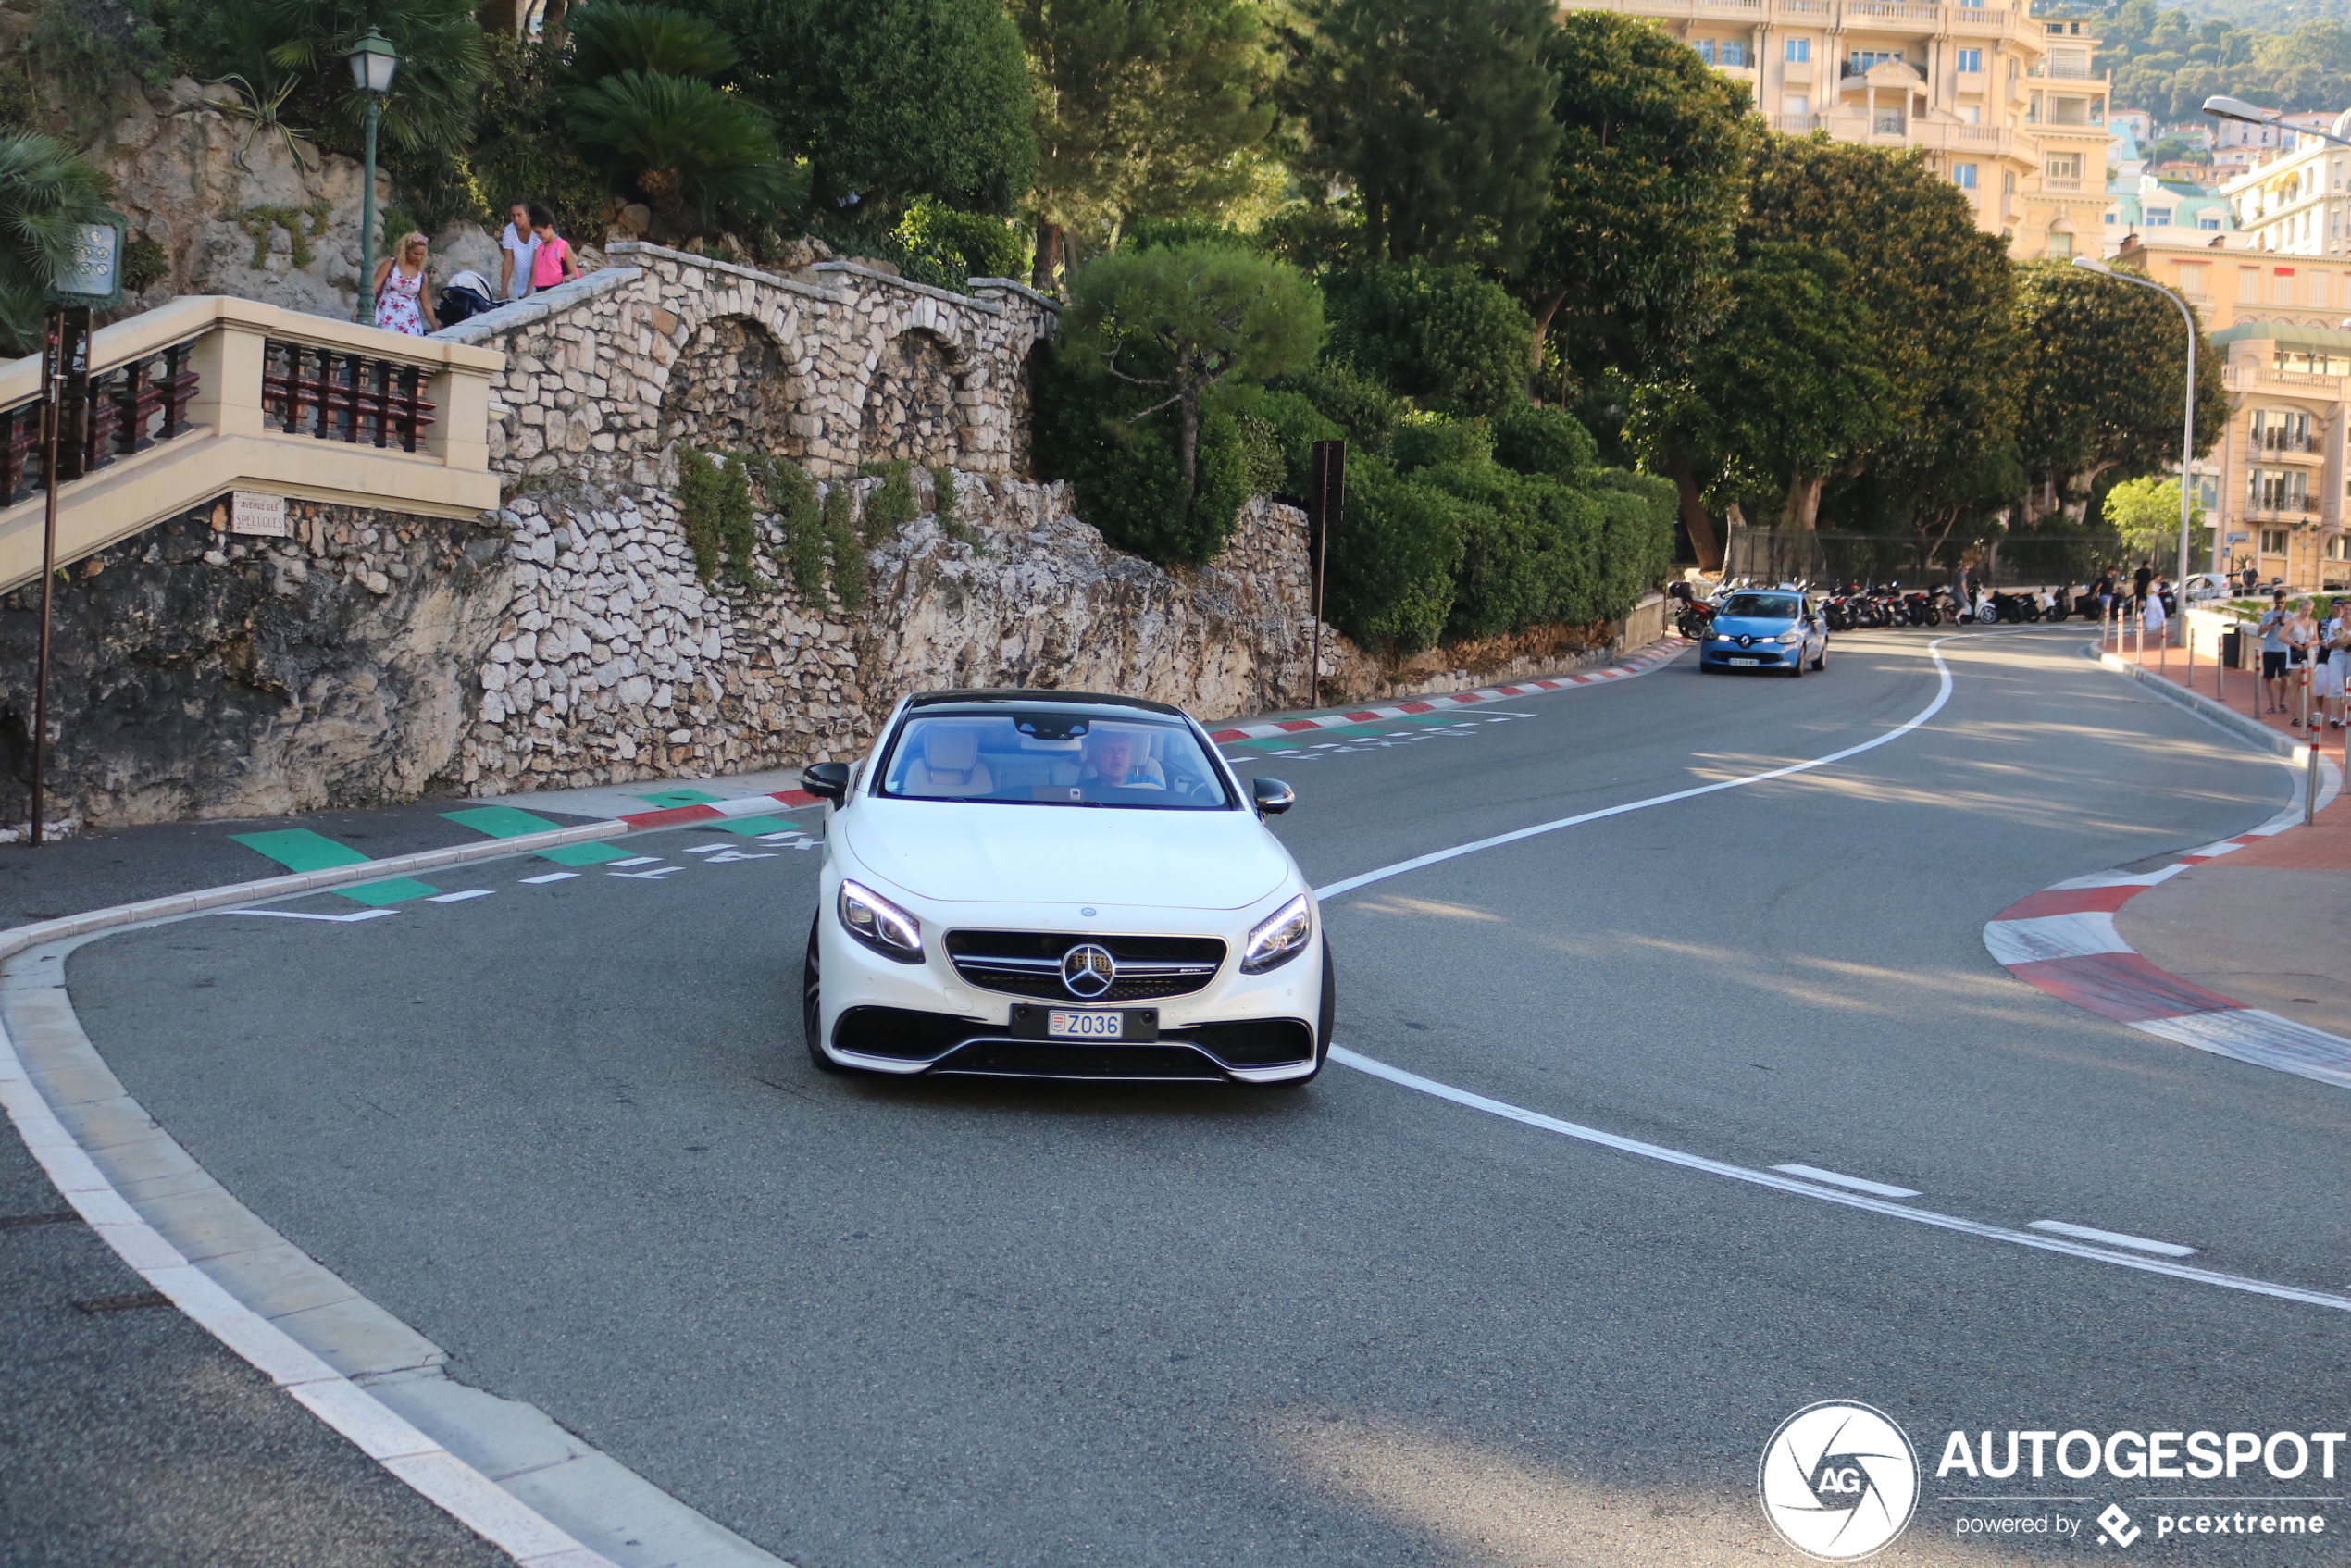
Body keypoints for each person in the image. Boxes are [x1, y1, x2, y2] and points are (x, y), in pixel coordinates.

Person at [369, 230, 436, 336]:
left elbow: (426, 303)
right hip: (387, 311)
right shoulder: (390, 264)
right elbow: (373, 288)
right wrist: (358, 310)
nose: (419, 258)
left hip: (409, 318)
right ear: (406, 250)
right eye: (416, 253)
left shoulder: (421, 275)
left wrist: (436, 328)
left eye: (422, 255)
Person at [528, 204, 581, 292]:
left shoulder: (563, 246)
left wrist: (568, 277)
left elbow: (573, 274)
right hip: (540, 291)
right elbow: (534, 271)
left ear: (549, 227)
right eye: (535, 233)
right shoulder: (539, 248)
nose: (537, 236)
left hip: (558, 290)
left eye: (539, 232)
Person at [2315, 597, 2350, 730]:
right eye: (2345, 609)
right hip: (2336, 656)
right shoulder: (2334, 623)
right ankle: (2334, 717)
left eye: (2349, 609)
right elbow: (2328, 643)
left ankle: (2347, 717)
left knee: (2349, 687)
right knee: (2336, 685)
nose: (2347, 611)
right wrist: (2341, 642)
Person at [496, 200, 539, 302]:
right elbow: (508, 260)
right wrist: (503, 290)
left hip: (539, 286)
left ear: (527, 213)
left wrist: (529, 290)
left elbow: (536, 262)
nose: (516, 219)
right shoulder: (509, 230)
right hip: (520, 288)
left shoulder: (537, 230)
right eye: (513, 215)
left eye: (520, 215)